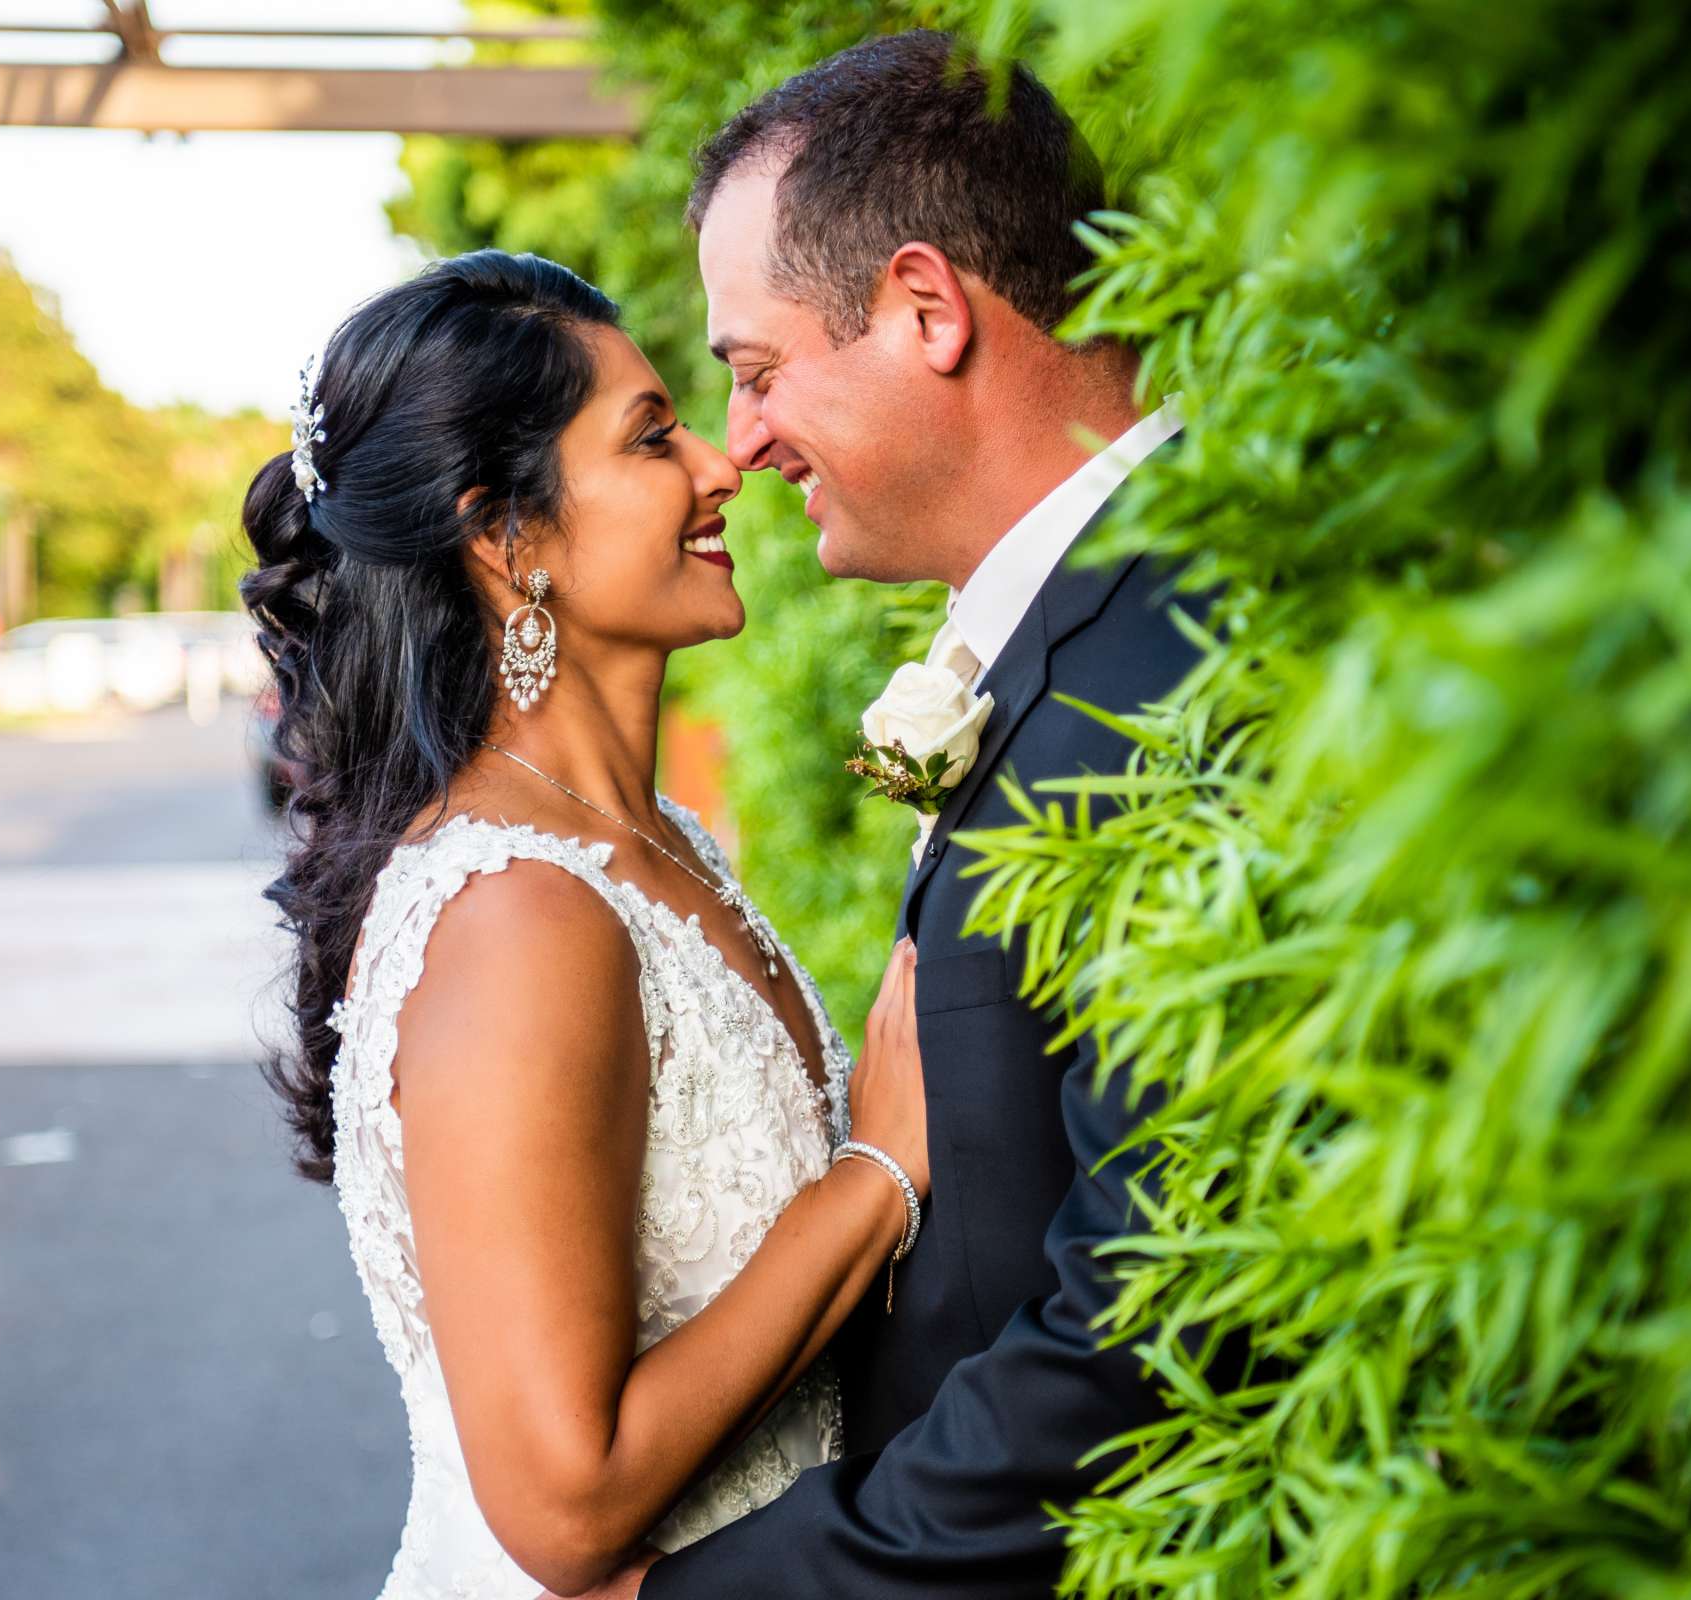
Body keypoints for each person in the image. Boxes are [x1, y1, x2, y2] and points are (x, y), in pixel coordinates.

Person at [566, 29, 1210, 1599]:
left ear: (927, 310)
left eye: (758, 367)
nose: (748, 440)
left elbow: (1161, 1307)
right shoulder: (1090, 631)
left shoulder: (1171, 661)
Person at [240, 248, 931, 1600]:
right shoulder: (519, 915)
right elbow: (564, 1505)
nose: (723, 466)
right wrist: (877, 1177)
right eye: (653, 437)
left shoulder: (649, 847)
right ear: (506, 538)